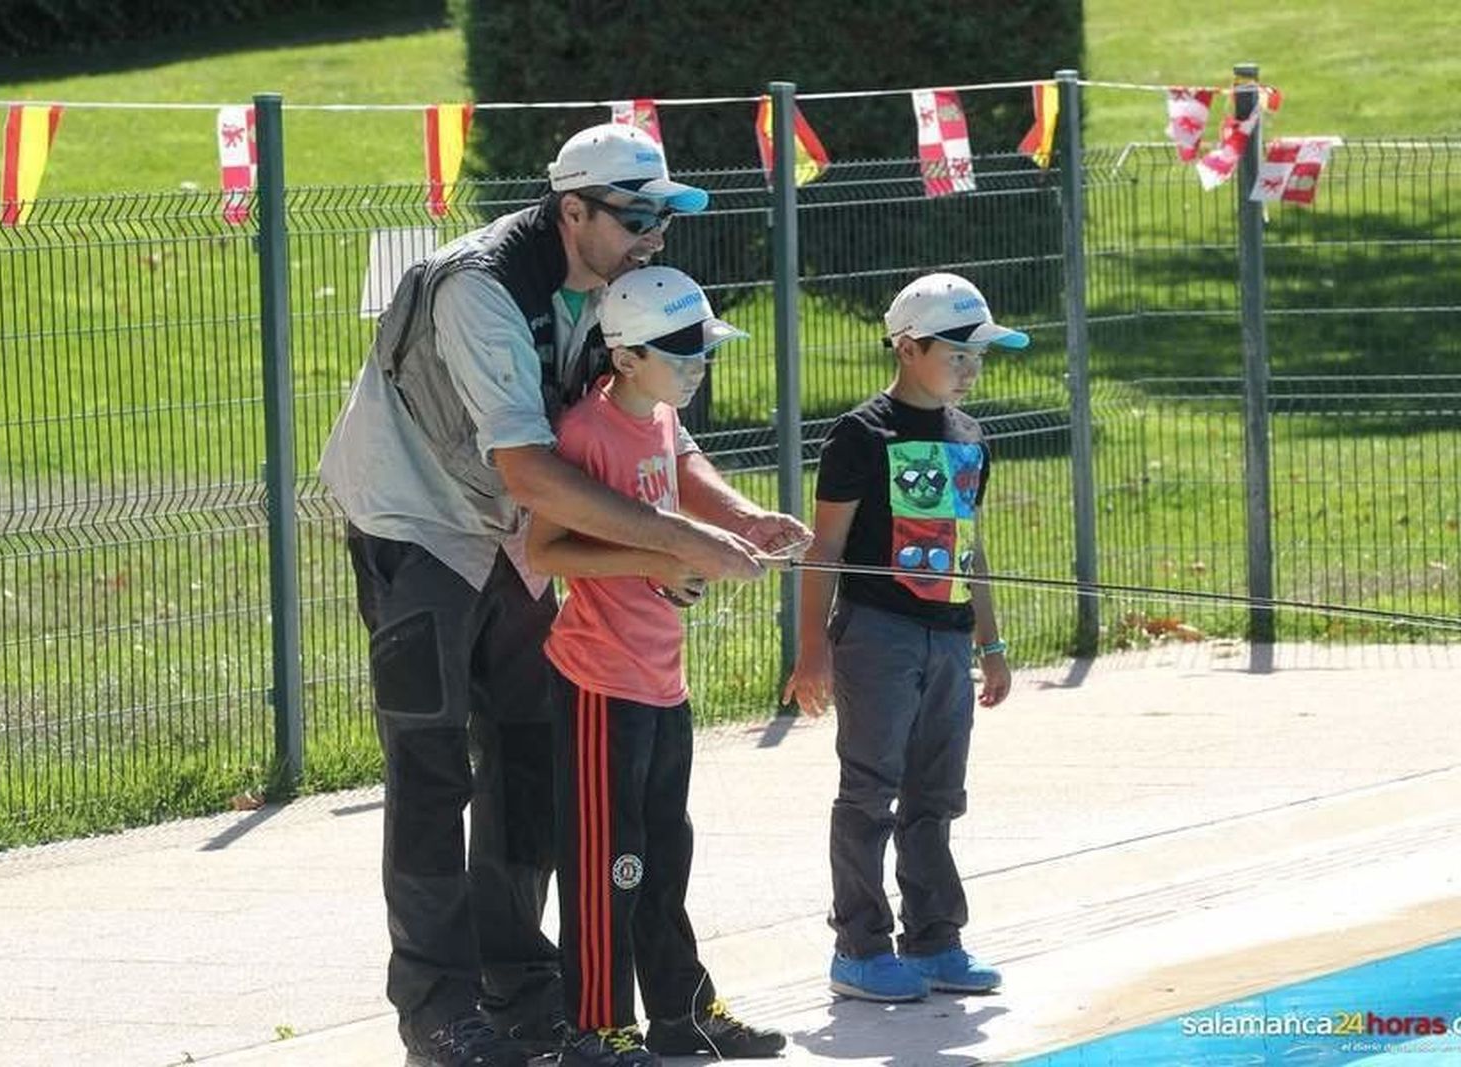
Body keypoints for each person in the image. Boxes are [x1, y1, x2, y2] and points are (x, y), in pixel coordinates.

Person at [320, 124, 809, 1067]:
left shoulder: (609, 290)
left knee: (530, 760)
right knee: (432, 771)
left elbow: (657, 433)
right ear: (571, 208)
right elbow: (532, 470)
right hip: (413, 520)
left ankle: (521, 990)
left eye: (662, 216)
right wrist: (679, 541)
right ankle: (437, 1011)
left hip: (512, 530)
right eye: (636, 217)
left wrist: (739, 517)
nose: (654, 237)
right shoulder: (480, 287)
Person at [526, 266, 788, 1066]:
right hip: (600, 684)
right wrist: (662, 555)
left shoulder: (660, 414)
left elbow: (683, 466)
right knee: (615, 858)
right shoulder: (585, 433)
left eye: (702, 347)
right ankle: (597, 1024)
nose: (698, 363)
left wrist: (747, 520)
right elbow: (546, 549)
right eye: (682, 352)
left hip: (660, 679)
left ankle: (682, 1012)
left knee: (665, 853)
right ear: (628, 356)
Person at [780, 272, 1022, 1004]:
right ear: (909, 346)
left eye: (980, 354)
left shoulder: (972, 437)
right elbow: (826, 547)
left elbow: (970, 546)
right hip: (877, 634)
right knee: (870, 790)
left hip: (949, 637)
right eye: (958, 353)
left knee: (937, 793)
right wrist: (813, 647)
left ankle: (935, 937)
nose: (972, 368)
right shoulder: (861, 433)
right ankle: (858, 946)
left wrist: (991, 641)